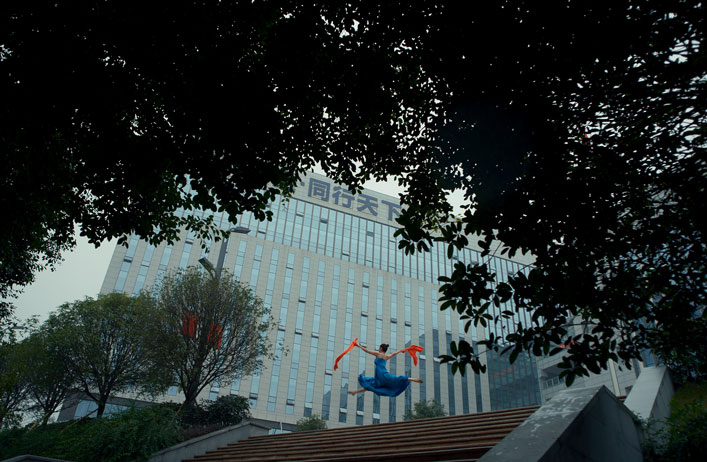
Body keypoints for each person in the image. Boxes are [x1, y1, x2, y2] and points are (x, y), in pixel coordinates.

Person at [348, 343, 423, 397]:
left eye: (379, 347)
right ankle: (355, 392)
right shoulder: (386, 356)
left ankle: (413, 379)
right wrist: (401, 350)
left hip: (382, 374)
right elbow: (394, 353)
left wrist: (358, 345)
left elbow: (367, 351)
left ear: (381, 348)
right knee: (371, 385)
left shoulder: (378, 354)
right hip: (380, 376)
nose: (378, 349)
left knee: (372, 383)